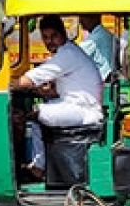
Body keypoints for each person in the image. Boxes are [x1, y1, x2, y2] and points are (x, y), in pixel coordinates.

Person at [14, 14, 103, 179]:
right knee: (36, 115)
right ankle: (39, 165)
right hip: (75, 105)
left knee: (32, 114)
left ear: (63, 33)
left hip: (83, 111)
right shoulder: (67, 52)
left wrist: (9, 84)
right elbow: (63, 89)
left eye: (54, 36)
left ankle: (39, 168)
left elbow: (34, 77)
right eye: (46, 38)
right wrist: (39, 92)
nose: (50, 42)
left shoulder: (67, 54)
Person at [78, 13, 116, 80]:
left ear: (94, 18)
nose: (80, 21)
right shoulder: (102, 33)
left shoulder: (96, 38)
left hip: (101, 80)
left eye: (83, 17)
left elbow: (76, 54)